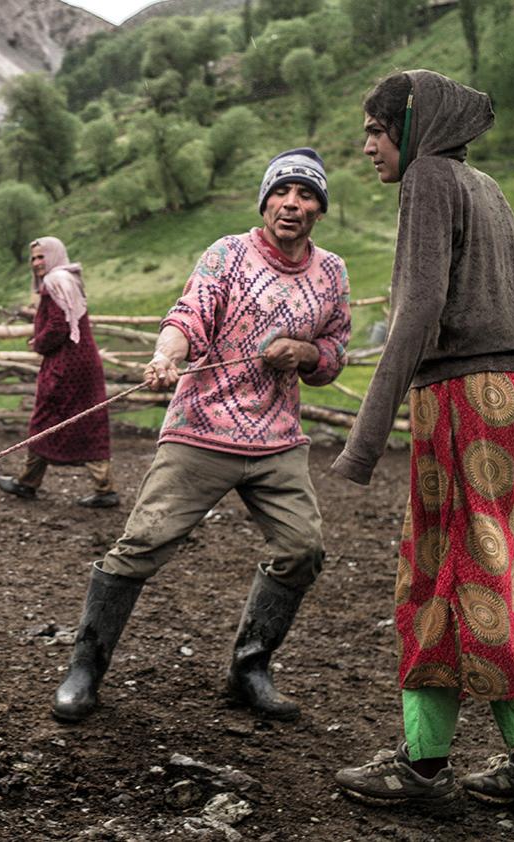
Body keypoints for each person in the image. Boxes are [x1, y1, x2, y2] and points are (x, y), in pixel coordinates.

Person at [331, 70, 514, 829]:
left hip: (465, 403)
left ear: (412, 124)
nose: (367, 145)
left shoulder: (428, 176)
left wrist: (364, 440)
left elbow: (420, 307)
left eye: (375, 128)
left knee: (439, 576)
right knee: (512, 572)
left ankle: (423, 765)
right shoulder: (483, 184)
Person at [50, 148, 351, 723]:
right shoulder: (228, 254)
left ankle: (250, 668)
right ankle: (84, 667)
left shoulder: (331, 271)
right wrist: (168, 354)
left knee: (302, 549)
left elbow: (336, 350)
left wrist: (306, 352)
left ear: (319, 208)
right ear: (265, 200)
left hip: (277, 440)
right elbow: (187, 315)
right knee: (140, 546)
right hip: (200, 431)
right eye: (282, 192)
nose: (292, 204)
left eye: (306, 194)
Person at [0, 236, 119, 509]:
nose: (37, 262)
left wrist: (38, 343)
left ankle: (27, 483)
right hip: (85, 361)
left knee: (44, 419)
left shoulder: (53, 282)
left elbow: (58, 327)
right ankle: (104, 488)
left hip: (66, 365)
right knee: (89, 420)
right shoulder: (68, 278)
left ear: (55, 255)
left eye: (42, 256)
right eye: (34, 258)